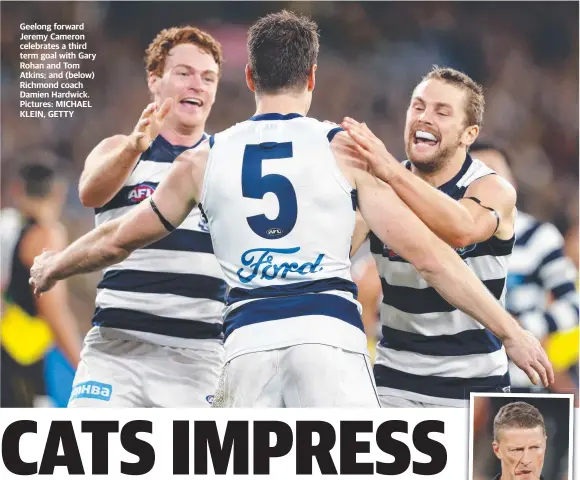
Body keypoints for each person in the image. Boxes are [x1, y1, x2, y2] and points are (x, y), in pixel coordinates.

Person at [30, 11, 552, 408]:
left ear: (250, 78)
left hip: (247, 341)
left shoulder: (204, 158)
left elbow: (119, 237)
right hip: (328, 338)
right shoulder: (346, 151)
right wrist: (510, 331)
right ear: (313, 79)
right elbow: (432, 258)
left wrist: (56, 264)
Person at [344, 67, 538, 407]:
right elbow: (337, 250)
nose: (424, 117)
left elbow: (461, 229)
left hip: (474, 381)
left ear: (469, 134)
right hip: (395, 380)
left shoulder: (492, 188)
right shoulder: (379, 187)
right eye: (417, 106)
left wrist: (389, 171)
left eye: (441, 111)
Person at [68, 26, 227, 407]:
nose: (197, 85)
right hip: (117, 348)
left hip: (198, 356)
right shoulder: (118, 149)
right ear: (155, 81)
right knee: (83, 459)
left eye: (208, 78)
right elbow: (90, 191)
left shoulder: (228, 161)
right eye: (184, 73)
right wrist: (134, 148)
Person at [469, 142, 579, 394]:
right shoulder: (445, 240)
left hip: (522, 386)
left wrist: (520, 329)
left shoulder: (539, 237)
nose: (486, 185)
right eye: (475, 176)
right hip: (458, 382)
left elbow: (573, 304)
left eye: (493, 174)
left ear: (512, 184)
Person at [1, 161, 82, 407]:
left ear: (17, 189)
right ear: (59, 193)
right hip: (22, 353)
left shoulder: (6, 226)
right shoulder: (47, 235)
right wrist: (83, 367)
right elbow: (53, 310)